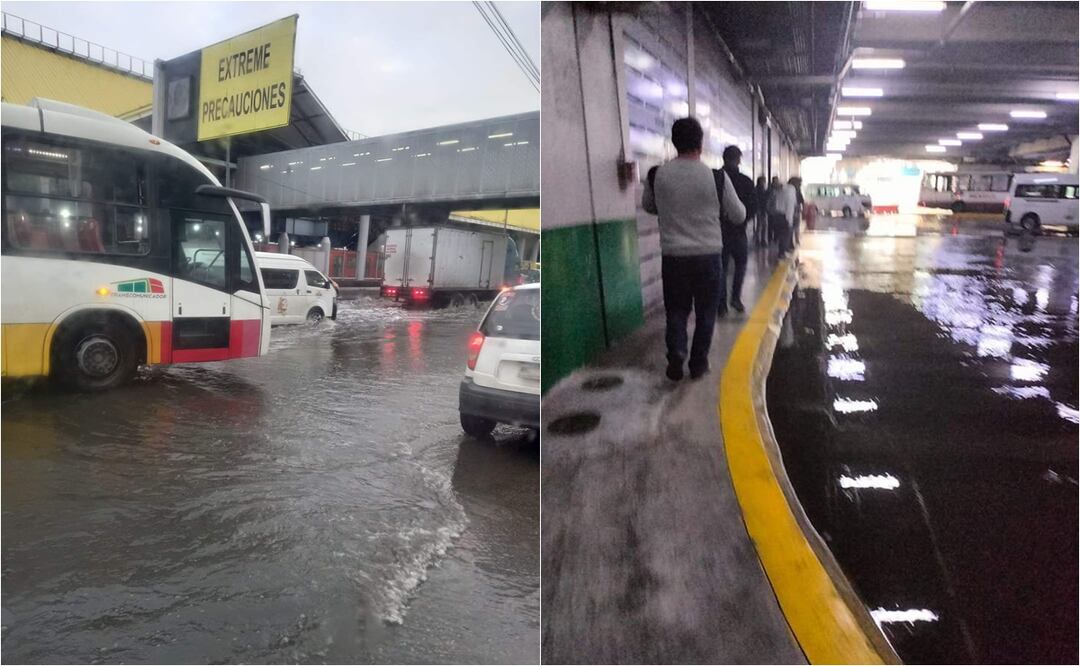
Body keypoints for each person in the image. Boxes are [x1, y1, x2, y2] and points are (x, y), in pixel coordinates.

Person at [643, 117, 744, 381]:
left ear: (674, 142)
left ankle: (676, 351)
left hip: (674, 257)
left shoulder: (657, 174)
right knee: (706, 313)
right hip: (709, 256)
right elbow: (739, 214)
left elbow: (649, 206)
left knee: (676, 310)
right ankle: (698, 364)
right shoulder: (716, 177)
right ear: (700, 143)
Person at [718, 146, 755, 316]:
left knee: (722, 268)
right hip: (739, 232)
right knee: (740, 265)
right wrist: (742, 220)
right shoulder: (745, 181)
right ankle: (735, 299)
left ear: (724, 158)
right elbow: (753, 207)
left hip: (719, 232)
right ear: (739, 159)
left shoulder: (715, 179)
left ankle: (721, 305)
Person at [789, 176, 804, 246]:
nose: (800, 185)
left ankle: (794, 241)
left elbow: (801, 200)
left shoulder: (797, 191)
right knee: (793, 226)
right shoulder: (794, 191)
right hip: (792, 209)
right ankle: (793, 241)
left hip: (795, 209)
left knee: (794, 226)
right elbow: (801, 201)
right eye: (799, 183)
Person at [754, 176, 769, 247]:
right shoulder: (759, 190)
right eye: (763, 181)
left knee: (762, 225)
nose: (764, 183)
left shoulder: (760, 189)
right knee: (761, 225)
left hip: (762, 209)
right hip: (761, 209)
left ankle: (761, 239)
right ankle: (760, 240)